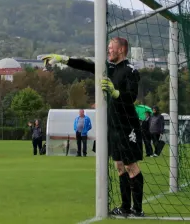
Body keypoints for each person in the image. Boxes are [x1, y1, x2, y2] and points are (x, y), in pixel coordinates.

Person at [43, 37, 144, 217]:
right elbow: (87, 65)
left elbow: (132, 96)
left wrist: (115, 92)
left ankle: (138, 209)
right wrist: (64, 59)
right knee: (119, 166)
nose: (108, 51)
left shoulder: (130, 70)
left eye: (111, 48)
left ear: (121, 50)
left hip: (127, 125)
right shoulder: (108, 68)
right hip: (112, 126)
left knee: (131, 167)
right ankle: (125, 207)